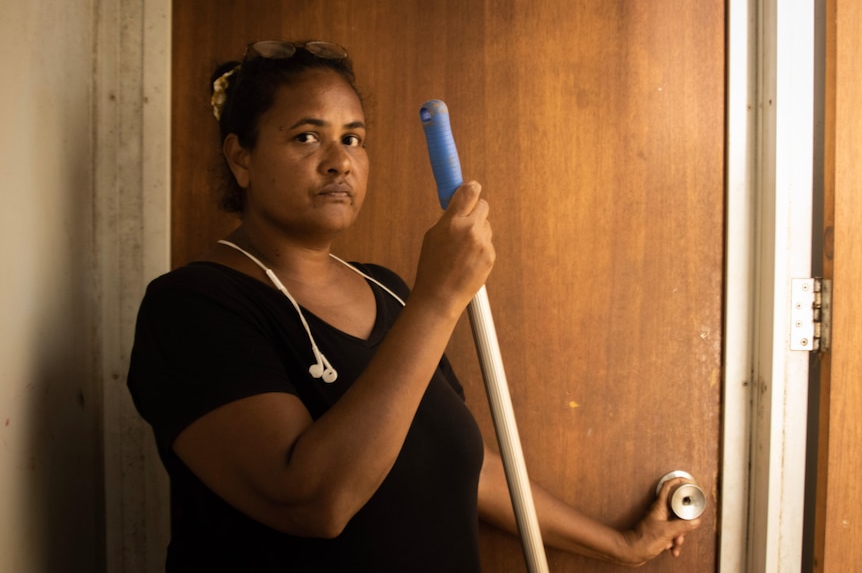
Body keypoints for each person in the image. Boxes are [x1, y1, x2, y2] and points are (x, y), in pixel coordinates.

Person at [127, 39, 701, 572]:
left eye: (353, 138)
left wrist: (621, 545)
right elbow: (314, 503)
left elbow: (459, 462)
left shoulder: (388, 291)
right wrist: (440, 298)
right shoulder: (191, 307)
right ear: (241, 157)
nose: (339, 161)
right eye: (307, 136)